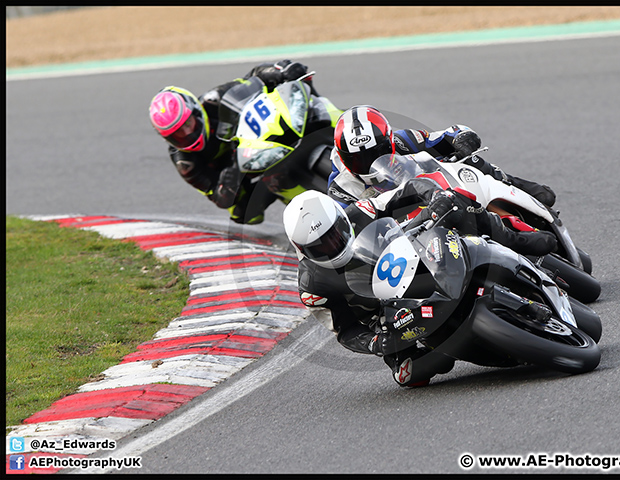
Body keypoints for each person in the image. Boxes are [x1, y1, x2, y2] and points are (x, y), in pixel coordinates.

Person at [283, 175, 557, 387]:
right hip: (387, 315)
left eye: (335, 235)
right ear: (302, 250)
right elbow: (344, 330)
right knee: (409, 376)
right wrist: (374, 342)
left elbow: (410, 188)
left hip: (418, 259)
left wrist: (436, 197)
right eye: (320, 247)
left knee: (458, 208)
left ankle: (516, 240)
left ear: (342, 219)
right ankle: (460, 344)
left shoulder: (362, 211)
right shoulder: (312, 285)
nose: (333, 246)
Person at [149, 60, 338, 225]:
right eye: (177, 135)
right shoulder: (185, 162)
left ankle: (344, 130)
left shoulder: (214, 100)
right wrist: (228, 182)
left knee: (311, 107)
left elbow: (253, 80)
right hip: (243, 177)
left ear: (195, 110)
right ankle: (315, 214)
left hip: (259, 143)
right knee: (246, 212)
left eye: (187, 124)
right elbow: (218, 198)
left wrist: (278, 72)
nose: (187, 133)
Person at [327, 105, 557, 210]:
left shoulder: (403, 140)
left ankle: (515, 185)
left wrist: (463, 139)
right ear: (343, 156)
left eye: (376, 153)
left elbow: (449, 134)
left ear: (388, 141)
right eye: (358, 158)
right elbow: (344, 226)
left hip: (444, 190)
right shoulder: (340, 187)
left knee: (470, 161)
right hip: (405, 224)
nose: (368, 163)